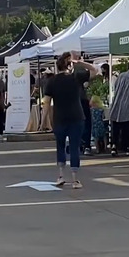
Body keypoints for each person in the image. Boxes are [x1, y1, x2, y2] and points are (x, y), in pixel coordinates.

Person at [44, 52, 85, 188]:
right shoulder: (76, 78)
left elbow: (47, 103)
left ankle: (61, 175)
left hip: (59, 118)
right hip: (76, 117)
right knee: (74, 147)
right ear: (70, 65)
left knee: (60, 146)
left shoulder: (52, 81)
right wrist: (81, 63)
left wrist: (44, 121)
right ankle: (75, 179)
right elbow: (95, 70)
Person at [108, 62, 129, 157]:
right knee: (127, 127)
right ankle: (127, 147)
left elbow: (115, 88)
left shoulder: (120, 76)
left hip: (117, 103)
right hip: (128, 104)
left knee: (116, 126)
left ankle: (114, 146)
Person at [71, 51, 98, 155]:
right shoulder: (79, 70)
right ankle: (85, 145)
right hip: (80, 99)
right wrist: (81, 63)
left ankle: (79, 144)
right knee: (85, 122)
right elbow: (94, 70)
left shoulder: (67, 72)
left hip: (71, 101)